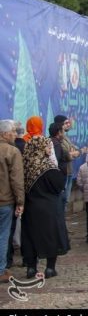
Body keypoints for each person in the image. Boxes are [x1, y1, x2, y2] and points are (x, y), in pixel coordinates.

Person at [21, 135, 70, 278]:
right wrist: (54, 163)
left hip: (30, 207)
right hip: (49, 207)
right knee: (50, 236)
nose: (49, 149)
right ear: (40, 148)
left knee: (30, 236)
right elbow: (59, 185)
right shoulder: (48, 167)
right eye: (47, 146)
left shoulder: (25, 166)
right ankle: (49, 268)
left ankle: (31, 268)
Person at [0, 120, 25, 283]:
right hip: (5, 201)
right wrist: (20, 201)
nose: (16, 134)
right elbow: (16, 179)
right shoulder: (12, 151)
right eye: (13, 132)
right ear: (4, 134)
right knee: (3, 235)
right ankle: (1, 269)